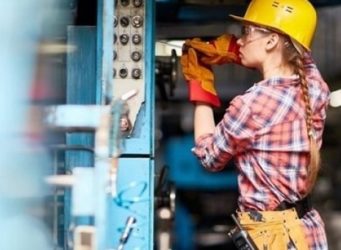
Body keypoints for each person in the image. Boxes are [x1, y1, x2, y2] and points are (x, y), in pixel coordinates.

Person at [180, 0, 329, 249]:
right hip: (307, 231)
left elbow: (209, 157)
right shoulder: (315, 88)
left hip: (272, 237)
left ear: (271, 41)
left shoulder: (251, 105)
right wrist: (247, 51)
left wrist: (200, 82)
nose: (238, 40)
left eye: (246, 32)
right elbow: (300, 57)